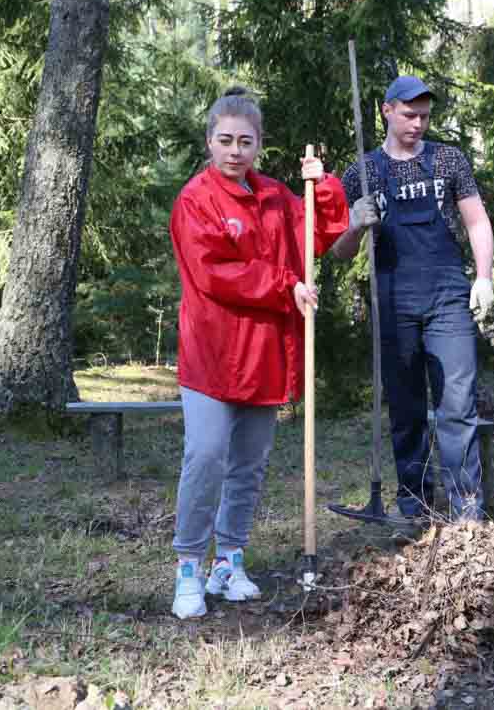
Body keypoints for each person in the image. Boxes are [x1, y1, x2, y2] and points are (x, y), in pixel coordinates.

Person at [168, 86, 356, 619]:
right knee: (206, 455)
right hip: (211, 350)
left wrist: (320, 187)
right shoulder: (194, 200)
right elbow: (214, 272)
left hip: (264, 353)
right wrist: (284, 288)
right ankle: (189, 565)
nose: (235, 151)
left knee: (248, 465)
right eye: (225, 140)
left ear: (259, 146)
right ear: (209, 141)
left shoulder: (276, 196)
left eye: (245, 142)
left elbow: (318, 236)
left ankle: (229, 558)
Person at [334, 75, 494, 523]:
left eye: (424, 116)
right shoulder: (362, 171)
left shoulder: (449, 160)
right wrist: (355, 224)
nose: (418, 124)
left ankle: (467, 507)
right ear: (387, 110)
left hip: (447, 293)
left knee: (457, 403)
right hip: (392, 296)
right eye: (409, 115)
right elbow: (339, 250)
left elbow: (477, 222)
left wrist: (483, 276)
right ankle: (415, 505)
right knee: (405, 407)